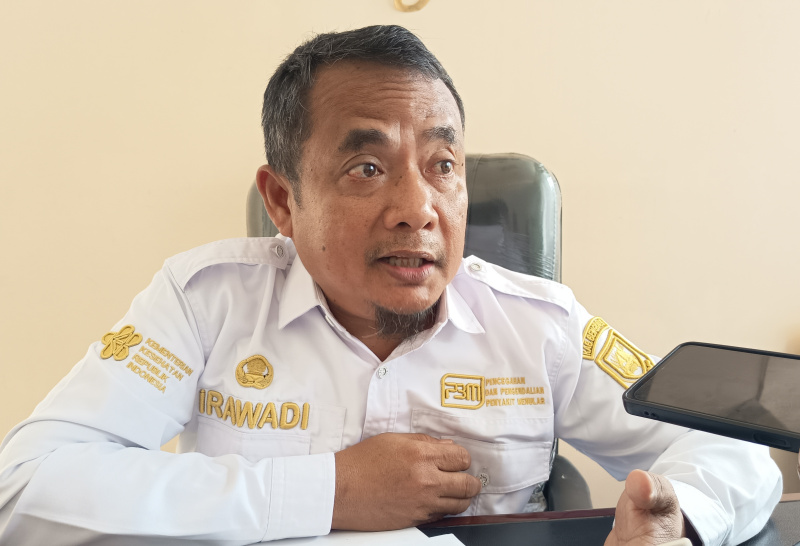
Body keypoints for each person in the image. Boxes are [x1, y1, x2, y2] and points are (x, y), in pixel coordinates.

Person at [0, 24, 782, 546]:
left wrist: (681, 521)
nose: (419, 208)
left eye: (443, 165)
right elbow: (26, 486)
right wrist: (325, 491)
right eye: (367, 167)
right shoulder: (203, 301)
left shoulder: (539, 324)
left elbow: (730, 445)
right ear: (282, 201)